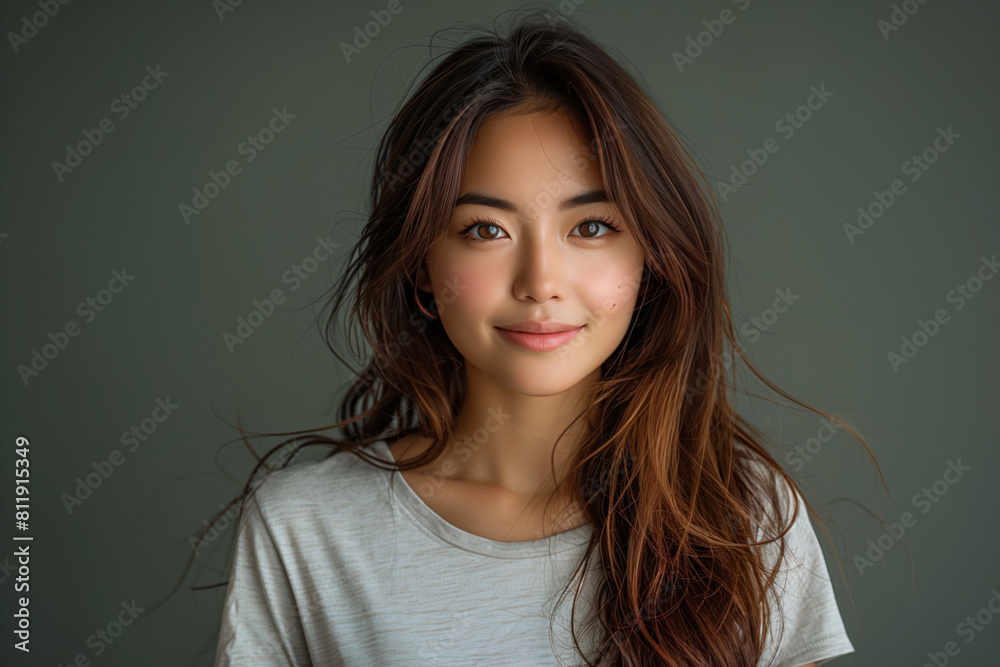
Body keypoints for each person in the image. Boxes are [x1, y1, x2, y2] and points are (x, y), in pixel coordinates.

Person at [207, 9, 883, 666]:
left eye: (591, 226)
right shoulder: (304, 529)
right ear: (421, 263)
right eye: (484, 229)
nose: (540, 281)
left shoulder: (745, 514)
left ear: (651, 260)